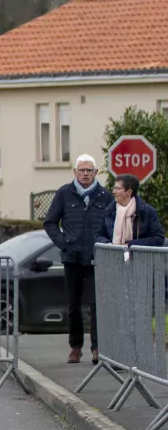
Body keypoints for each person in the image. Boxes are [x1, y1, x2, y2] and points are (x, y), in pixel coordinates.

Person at [43, 154, 113, 365]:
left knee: (96, 304)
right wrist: (63, 243)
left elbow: (112, 224)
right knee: (73, 304)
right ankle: (75, 346)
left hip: (96, 258)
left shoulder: (105, 195)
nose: (85, 174)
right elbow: (50, 222)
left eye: (89, 170)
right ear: (75, 172)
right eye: (81, 170)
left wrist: (105, 244)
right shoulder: (64, 193)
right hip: (72, 258)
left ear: (96, 172)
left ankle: (97, 348)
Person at [96, 174, 165, 249]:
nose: (113, 192)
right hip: (113, 254)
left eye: (118, 189)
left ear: (129, 192)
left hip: (138, 255)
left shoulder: (147, 211)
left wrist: (130, 245)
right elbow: (99, 236)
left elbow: (158, 239)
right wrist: (107, 244)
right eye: (114, 188)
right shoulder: (109, 211)